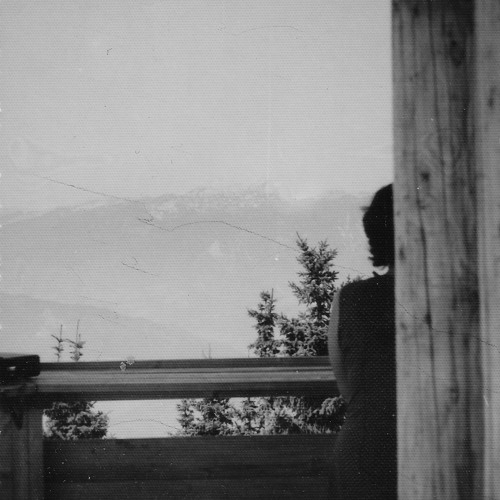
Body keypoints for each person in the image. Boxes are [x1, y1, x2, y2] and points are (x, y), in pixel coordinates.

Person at [328, 184, 396, 499]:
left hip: (361, 456)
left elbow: (348, 390)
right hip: (432, 453)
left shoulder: (347, 299)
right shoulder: (454, 302)